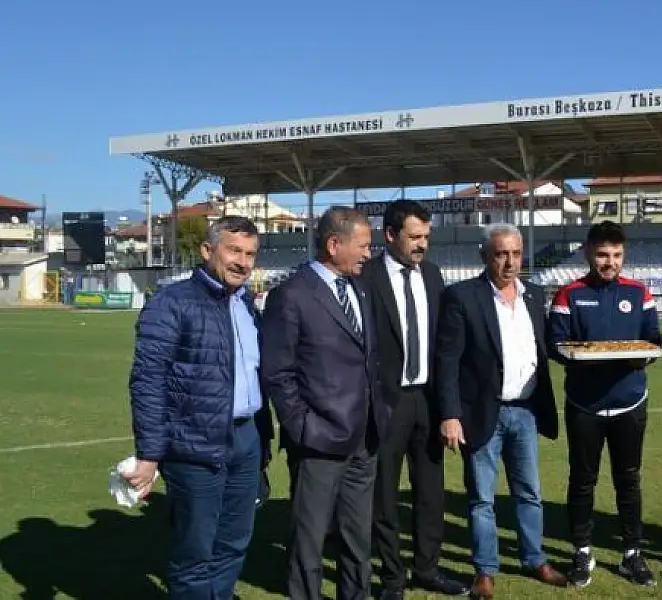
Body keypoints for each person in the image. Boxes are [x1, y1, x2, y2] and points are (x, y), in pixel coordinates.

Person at [123, 216, 273, 600]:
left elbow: (255, 379)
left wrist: (262, 443)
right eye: (234, 250)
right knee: (195, 553)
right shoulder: (171, 303)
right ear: (208, 251)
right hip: (194, 447)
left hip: (246, 442)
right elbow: (147, 380)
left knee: (234, 544)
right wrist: (150, 454)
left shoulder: (247, 304)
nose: (243, 261)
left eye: (250, 253)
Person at [435, 223, 567, 600]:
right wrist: (450, 414)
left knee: (529, 492)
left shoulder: (534, 295)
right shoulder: (462, 297)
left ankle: (534, 558)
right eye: (500, 254)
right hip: (481, 415)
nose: (509, 262)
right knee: (481, 498)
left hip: (525, 411)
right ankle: (485, 571)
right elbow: (448, 360)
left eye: (515, 253)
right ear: (485, 256)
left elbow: (547, 348)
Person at [260, 207, 381, 600]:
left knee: (357, 538)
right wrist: (303, 427)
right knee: (308, 541)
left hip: (365, 439)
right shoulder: (291, 295)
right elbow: (278, 372)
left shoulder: (360, 289)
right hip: (318, 441)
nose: (368, 253)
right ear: (334, 244)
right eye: (362, 246)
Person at [358, 200, 467, 599]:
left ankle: (427, 570)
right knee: (384, 496)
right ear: (390, 235)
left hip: (429, 399)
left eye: (426, 236)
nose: (423, 245)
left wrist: (448, 407)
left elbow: (444, 345)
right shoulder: (366, 277)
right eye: (414, 237)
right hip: (386, 402)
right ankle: (392, 577)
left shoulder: (434, 276)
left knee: (430, 493)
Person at [546, 220, 660, 588]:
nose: (609, 262)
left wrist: (642, 356)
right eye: (601, 254)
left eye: (615, 255)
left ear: (623, 255)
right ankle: (581, 551)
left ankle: (632, 553)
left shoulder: (639, 292)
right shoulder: (569, 294)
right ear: (587, 253)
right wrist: (581, 356)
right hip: (585, 404)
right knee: (582, 481)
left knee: (629, 481)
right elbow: (556, 345)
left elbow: (652, 343)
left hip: (630, 401)